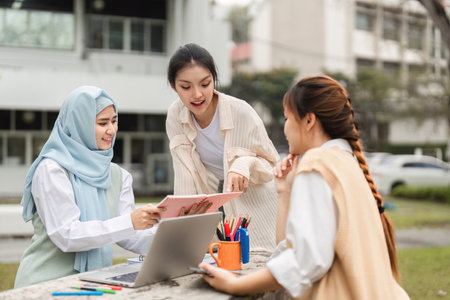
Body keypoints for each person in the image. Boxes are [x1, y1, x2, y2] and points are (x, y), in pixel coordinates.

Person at [199, 75, 410, 299]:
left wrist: (235, 286)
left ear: (309, 121)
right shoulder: (345, 161)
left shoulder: (318, 163)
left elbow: (306, 262)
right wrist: (285, 191)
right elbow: (288, 253)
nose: (286, 128)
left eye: (287, 118)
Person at [14, 86, 164, 288]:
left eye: (114, 121)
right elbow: (67, 235)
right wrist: (130, 221)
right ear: (79, 125)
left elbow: (130, 235)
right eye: (103, 123)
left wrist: (177, 236)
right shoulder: (52, 170)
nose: (112, 130)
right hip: (45, 286)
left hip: (94, 284)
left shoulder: (118, 175)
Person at [165, 43, 280, 250]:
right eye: (186, 87)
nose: (197, 94)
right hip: (222, 212)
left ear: (214, 80)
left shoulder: (241, 112)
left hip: (260, 203)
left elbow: (272, 166)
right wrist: (181, 223)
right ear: (174, 86)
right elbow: (184, 174)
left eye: (205, 84)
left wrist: (243, 163)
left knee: (260, 264)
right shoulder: (175, 116)